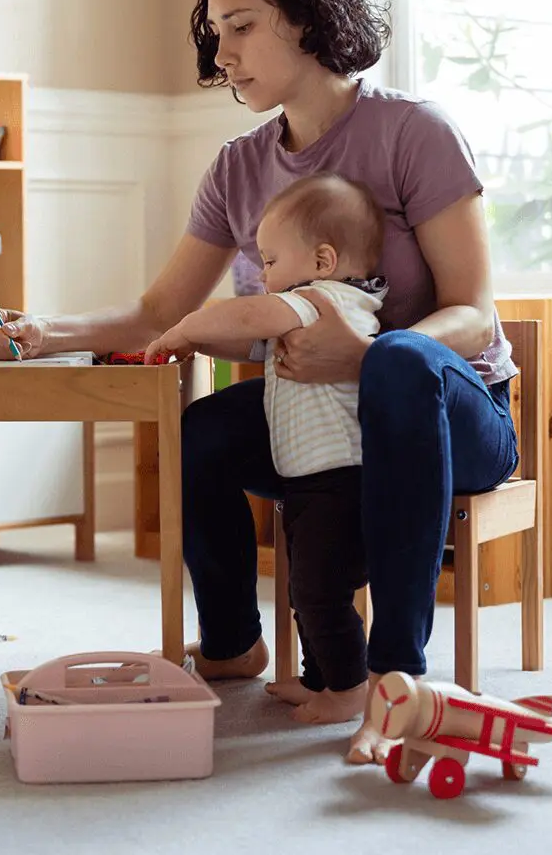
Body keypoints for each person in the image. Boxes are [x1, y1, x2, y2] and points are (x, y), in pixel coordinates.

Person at [0, 0, 520, 764]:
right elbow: (159, 309)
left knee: (408, 361)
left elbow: (474, 312)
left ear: (307, 13)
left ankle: (396, 678)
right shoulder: (238, 167)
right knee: (200, 433)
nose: (222, 54)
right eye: (216, 31)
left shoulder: (415, 130)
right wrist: (40, 333)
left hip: (451, 419)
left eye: (241, 27)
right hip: (317, 427)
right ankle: (233, 641)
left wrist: (370, 355)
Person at [144, 172, 387, 729]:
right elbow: (250, 335)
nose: (261, 274)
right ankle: (320, 676)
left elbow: (250, 316)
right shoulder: (314, 304)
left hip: (340, 481)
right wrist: (200, 337)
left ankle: (350, 687)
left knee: (321, 590)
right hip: (312, 479)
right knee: (306, 585)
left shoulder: (323, 301)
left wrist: (187, 326)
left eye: (272, 261)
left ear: (323, 261)